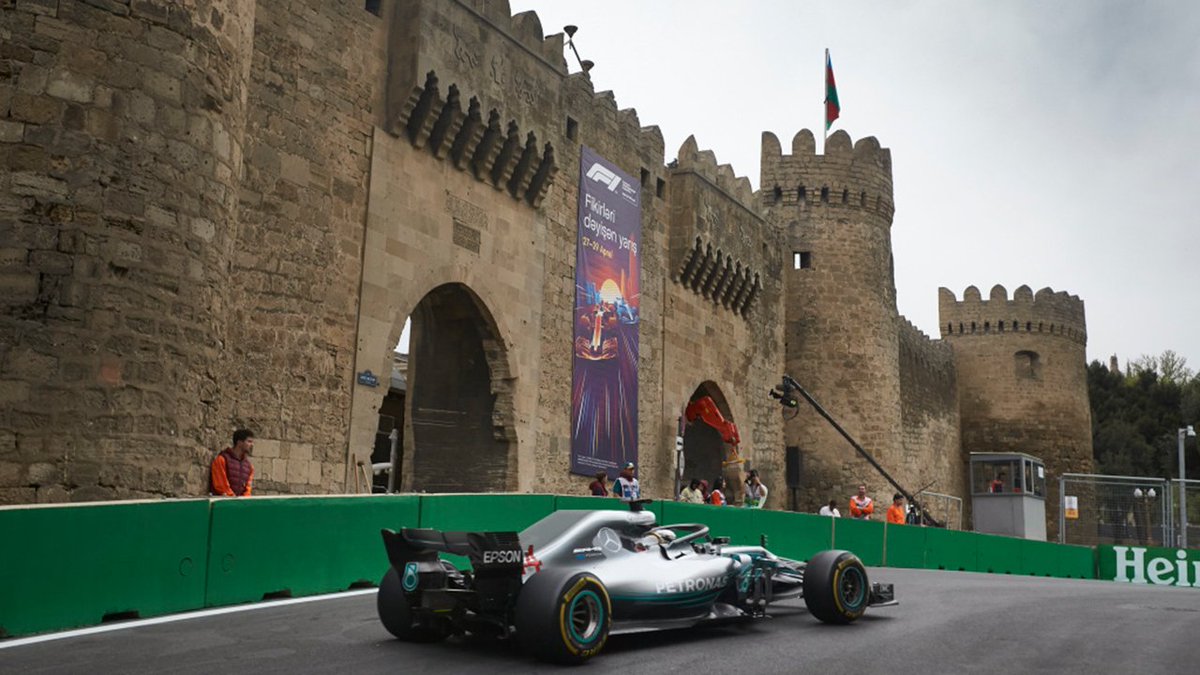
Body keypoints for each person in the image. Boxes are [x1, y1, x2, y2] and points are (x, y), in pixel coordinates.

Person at [210, 429, 254, 497]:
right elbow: (220, 485)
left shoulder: (249, 466)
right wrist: (233, 499)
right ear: (239, 442)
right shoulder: (222, 459)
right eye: (249, 441)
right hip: (223, 504)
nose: (252, 445)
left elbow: (248, 488)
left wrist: (244, 502)